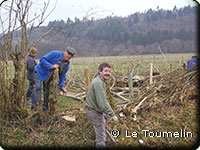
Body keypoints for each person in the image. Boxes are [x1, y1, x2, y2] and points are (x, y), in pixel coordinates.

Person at [85, 63, 118, 148]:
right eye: (105, 71)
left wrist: (109, 113)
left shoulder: (100, 81)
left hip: (95, 110)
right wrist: (112, 114)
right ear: (100, 72)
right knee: (101, 140)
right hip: (94, 112)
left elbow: (103, 101)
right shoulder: (98, 83)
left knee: (106, 117)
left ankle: (106, 129)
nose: (108, 73)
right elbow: (102, 104)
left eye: (109, 71)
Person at [35, 47, 76, 112]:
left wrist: (62, 86)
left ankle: (45, 109)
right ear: (65, 51)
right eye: (68, 54)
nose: (69, 56)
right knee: (37, 88)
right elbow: (42, 59)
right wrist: (51, 66)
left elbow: (62, 76)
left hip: (49, 77)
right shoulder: (54, 53)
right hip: (40, 72)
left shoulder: (66, 65)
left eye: (71, 55)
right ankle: (35, 108)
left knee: (47, 93)